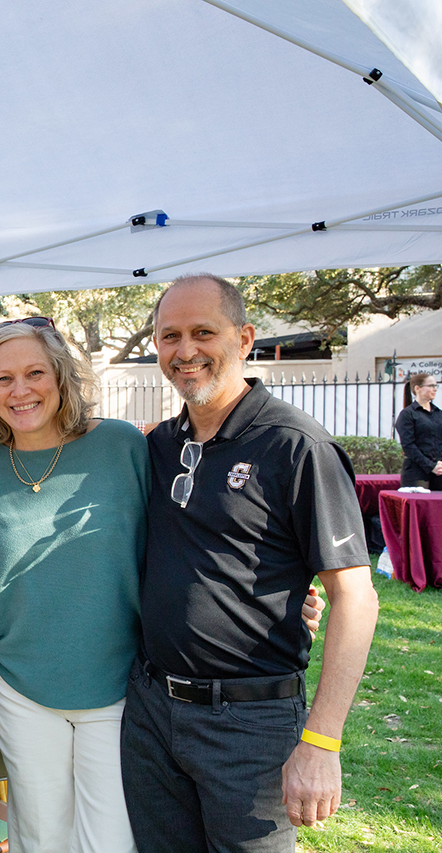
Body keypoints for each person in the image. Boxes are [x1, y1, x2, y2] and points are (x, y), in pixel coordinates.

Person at [120, 274, 380, 852]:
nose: (185, 351)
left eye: (202, 332)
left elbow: (357, 597)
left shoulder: (295, 445)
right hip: (151, 714)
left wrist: (323, 741)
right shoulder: (159, 446)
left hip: (249, 727)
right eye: (169, 336)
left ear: (244, 339)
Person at [0, 318, 145, 853]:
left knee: (111, 838)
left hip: (119, 679)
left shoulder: (122, 446)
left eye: (35, 373)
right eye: (4, 379)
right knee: (39, 835)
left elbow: (181, 539)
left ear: (62, 376)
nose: (20, 391)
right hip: (20, 681)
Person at [395, 372, 442, 490]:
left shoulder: (438, 414)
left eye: (436, 386)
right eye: (431, 386)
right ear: (418, 388)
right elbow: (408, 445)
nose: (435, 389)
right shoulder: (408, 414)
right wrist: (431, 466)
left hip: (439, 470)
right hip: (416, 473)